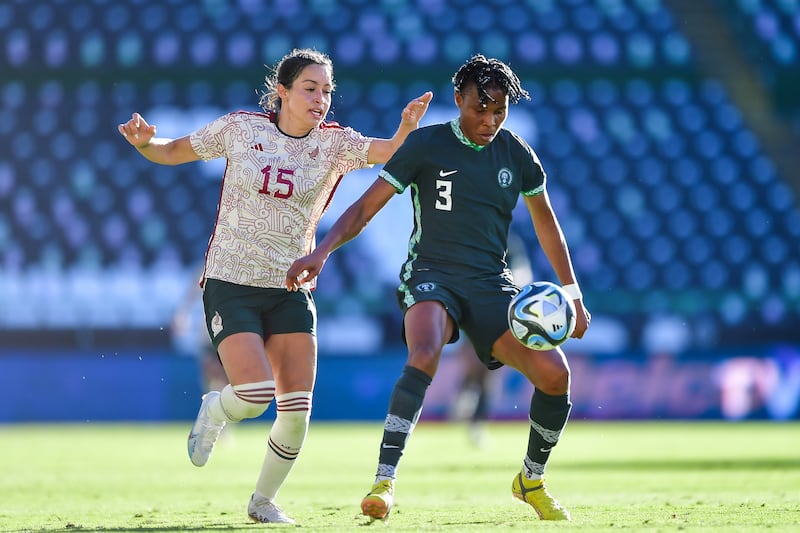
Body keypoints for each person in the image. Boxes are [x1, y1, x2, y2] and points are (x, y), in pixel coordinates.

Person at [118, 48, 432, 525]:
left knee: (297, 409)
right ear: (282, 91)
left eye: (327, 90)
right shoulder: (242, 129)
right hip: (231, 281)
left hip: (290, 288)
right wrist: (145, 144)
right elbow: (175, 151)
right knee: (255, 394)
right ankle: (215, 409)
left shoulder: (334, 144)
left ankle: (263, 502)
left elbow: (390, 152)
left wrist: (406, 127)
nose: (321, 99)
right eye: (310, 88)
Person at [286, 54, 590, 522]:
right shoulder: (427, 145)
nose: (489, 120)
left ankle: (530, 480)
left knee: (556, 376)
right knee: (424, 350)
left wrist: (572, 293)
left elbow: (547, 225)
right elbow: (366, 207)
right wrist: (321, 251)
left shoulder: (517, 154)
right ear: (458, 100)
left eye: (499, 110)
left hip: (491, 283)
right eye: (479, 109)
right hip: (431, 272)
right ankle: (384, 481)